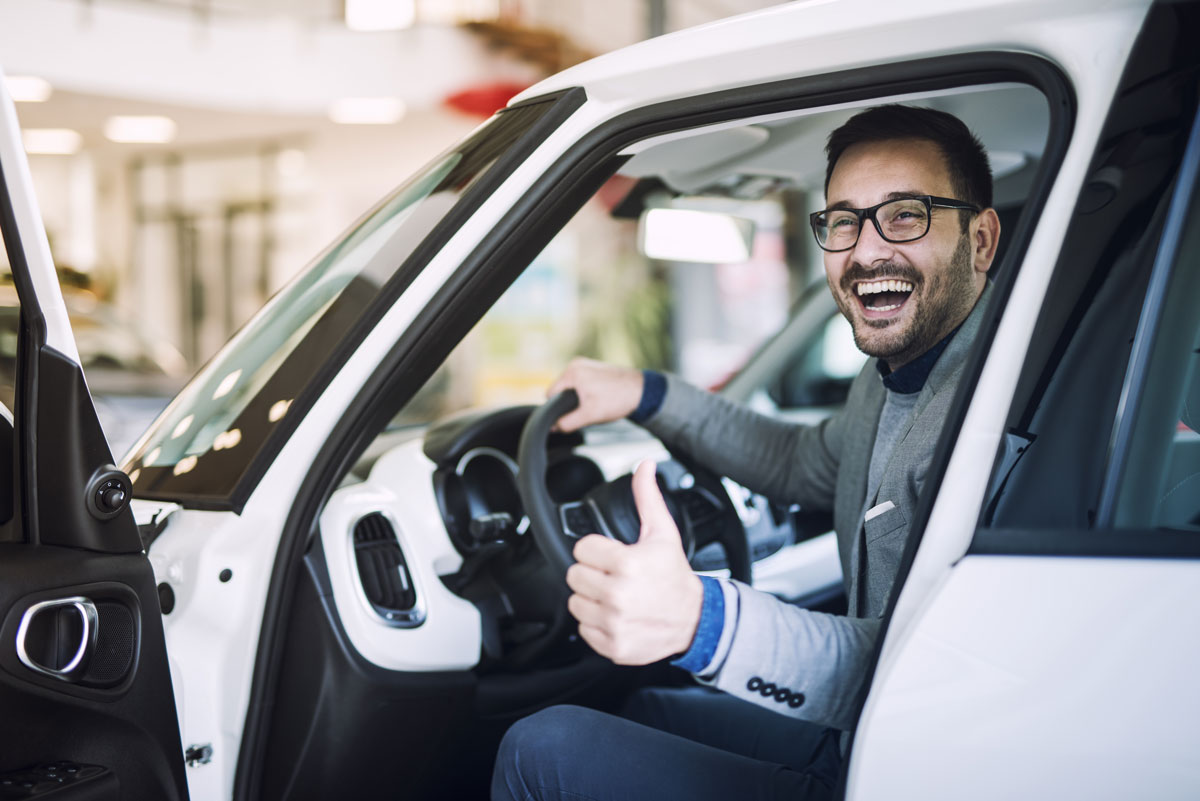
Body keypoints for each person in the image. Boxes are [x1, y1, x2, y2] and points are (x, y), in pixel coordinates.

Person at [492, 105, 1002, 801]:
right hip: (860, 736)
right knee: (642, 708)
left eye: (905, 214)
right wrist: (649, 393)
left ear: (980, 239)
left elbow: (915, 671)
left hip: (912, 765)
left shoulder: (987, 413)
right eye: (844, 221)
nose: (867, 250)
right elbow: (799, 462)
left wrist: (701, 618)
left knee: (538, 748)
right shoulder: (897, 379)